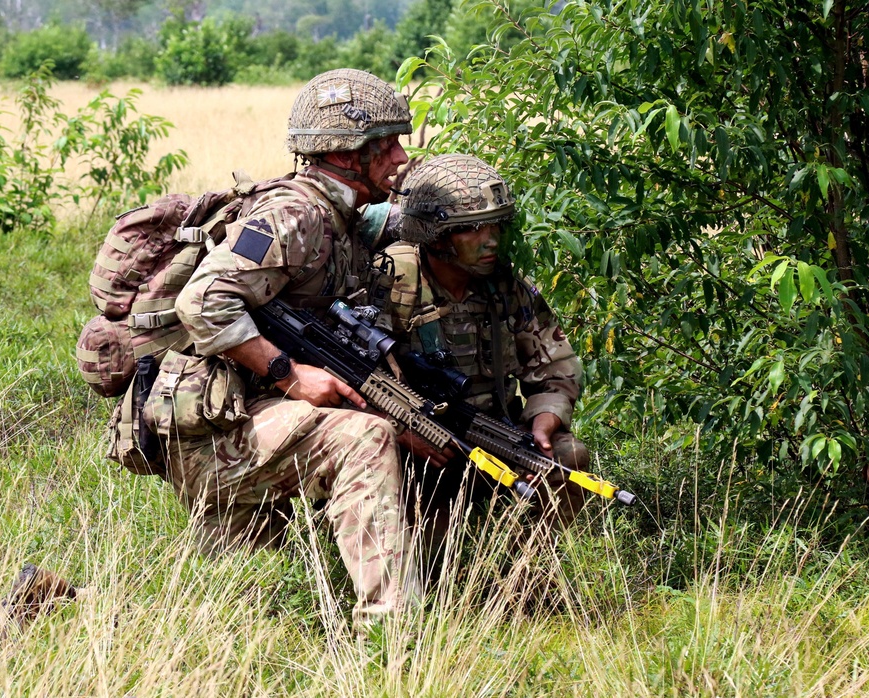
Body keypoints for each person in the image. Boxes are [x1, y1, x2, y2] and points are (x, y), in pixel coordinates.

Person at [152, 69, 420, 629]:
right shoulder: (294, 216)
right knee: (366, 438)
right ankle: (392, 634)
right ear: (348, 156)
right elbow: (203, 301)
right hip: (218, 441)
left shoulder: (344, 217)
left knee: (224, 610)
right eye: (388, 146)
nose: (400, 157)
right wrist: (290, 374)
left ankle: (59, 598)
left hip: (253, 426)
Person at [372, 153, 589, 565]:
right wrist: (404, 432)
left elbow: (556, 369)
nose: (490, 240)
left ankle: (522, 576)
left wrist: (544, 422)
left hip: (494, 435)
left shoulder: (507, 288)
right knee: (433, 571)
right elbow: (353, 378)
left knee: (568, 458)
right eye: (472, 229)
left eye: (496, 226)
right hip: (417, 449)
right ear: (436, 236)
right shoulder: (391, 283)